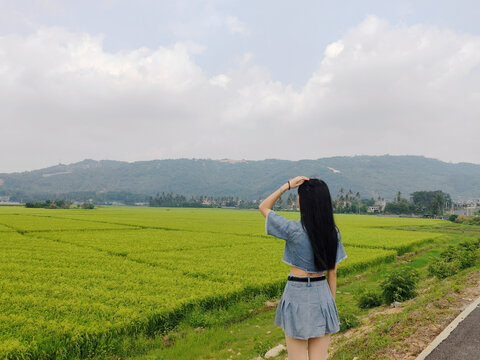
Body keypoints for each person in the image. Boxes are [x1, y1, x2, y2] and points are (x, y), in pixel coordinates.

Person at [258, 176, 347, 360]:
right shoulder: (333, 232)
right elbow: (333, 272)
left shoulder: (292, 229)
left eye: (299, 196)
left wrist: (287, 186)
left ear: (304, 201)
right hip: (322, 293)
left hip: (296, 294)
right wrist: (330, 303)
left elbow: (263, 207)